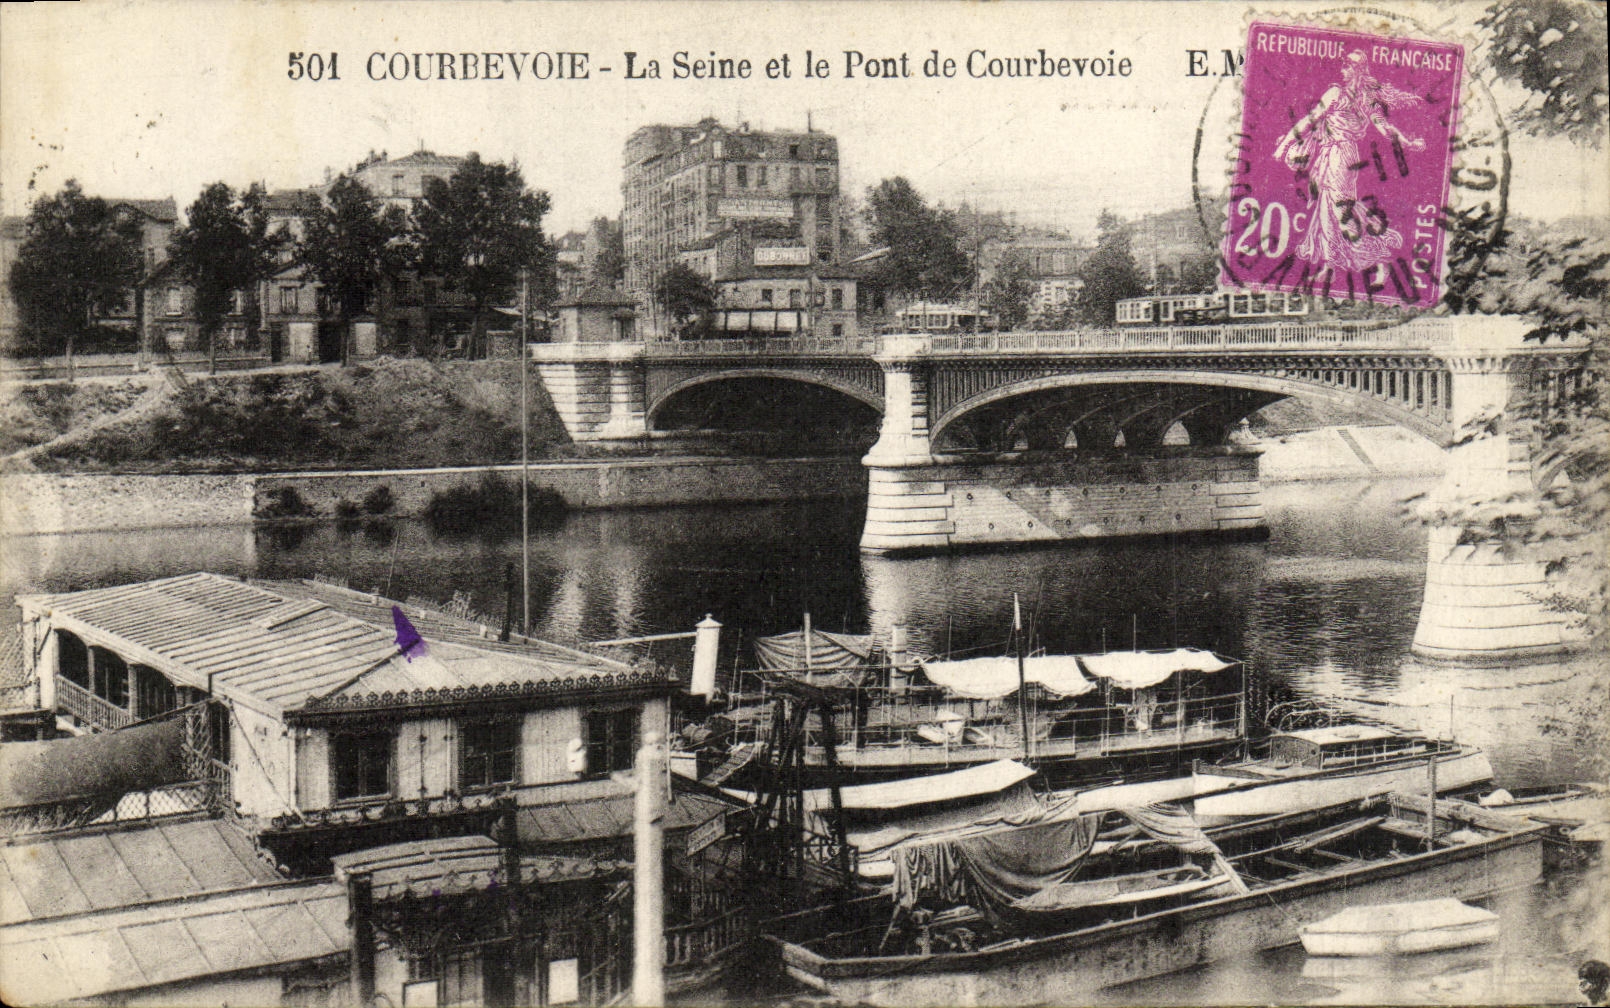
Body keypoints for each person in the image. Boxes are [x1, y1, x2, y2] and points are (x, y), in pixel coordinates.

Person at [1274, 50, 1426, 275]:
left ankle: (1378, 260)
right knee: (1327, 207)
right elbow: (1385, 129)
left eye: (1346, 67)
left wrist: (1282, 147)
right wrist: (1408, 142)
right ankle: (1330, 265)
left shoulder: (1340, 94)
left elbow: (1309, 120)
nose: (1342, 71)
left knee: (1340, 210)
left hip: (1340, 155)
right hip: (1337, 154)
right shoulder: (1363, 99)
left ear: (1357, 71)